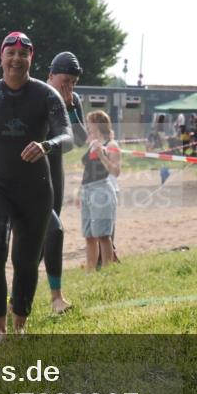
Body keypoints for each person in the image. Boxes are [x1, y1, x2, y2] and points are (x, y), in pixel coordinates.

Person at [0, 31, 73, 342]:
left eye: (23, 54)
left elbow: (68, 136)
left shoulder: (46, 94)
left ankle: (19, 325)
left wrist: (46, 145)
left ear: (31, 59)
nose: (16, 59)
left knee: (25, 260)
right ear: (2, 57)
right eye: (11, 53)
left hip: (34, 187)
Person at [43, 51, 89, 314]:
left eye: (73, 82)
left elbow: (81, 140)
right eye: (65, 81)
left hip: (55, 171)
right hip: (32, 172)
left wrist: (71, 108)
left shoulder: (74, 101)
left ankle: (51, 298)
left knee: (49, 235)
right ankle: (55, 298)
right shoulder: (38, 94)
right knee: (50, 230)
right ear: (51, 76)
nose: (69, 87)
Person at [81, 110, 121, 272]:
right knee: (89, 235)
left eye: (89, 122)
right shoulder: (92, 141)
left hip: (102, 189)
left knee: (103, 235)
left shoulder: (111, 145)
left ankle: (107, 270)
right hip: (87, 190)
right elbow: (88, 169)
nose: (87, 126)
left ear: (97, 123)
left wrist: (101, 154)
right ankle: (90, 271)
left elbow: (116, 171)